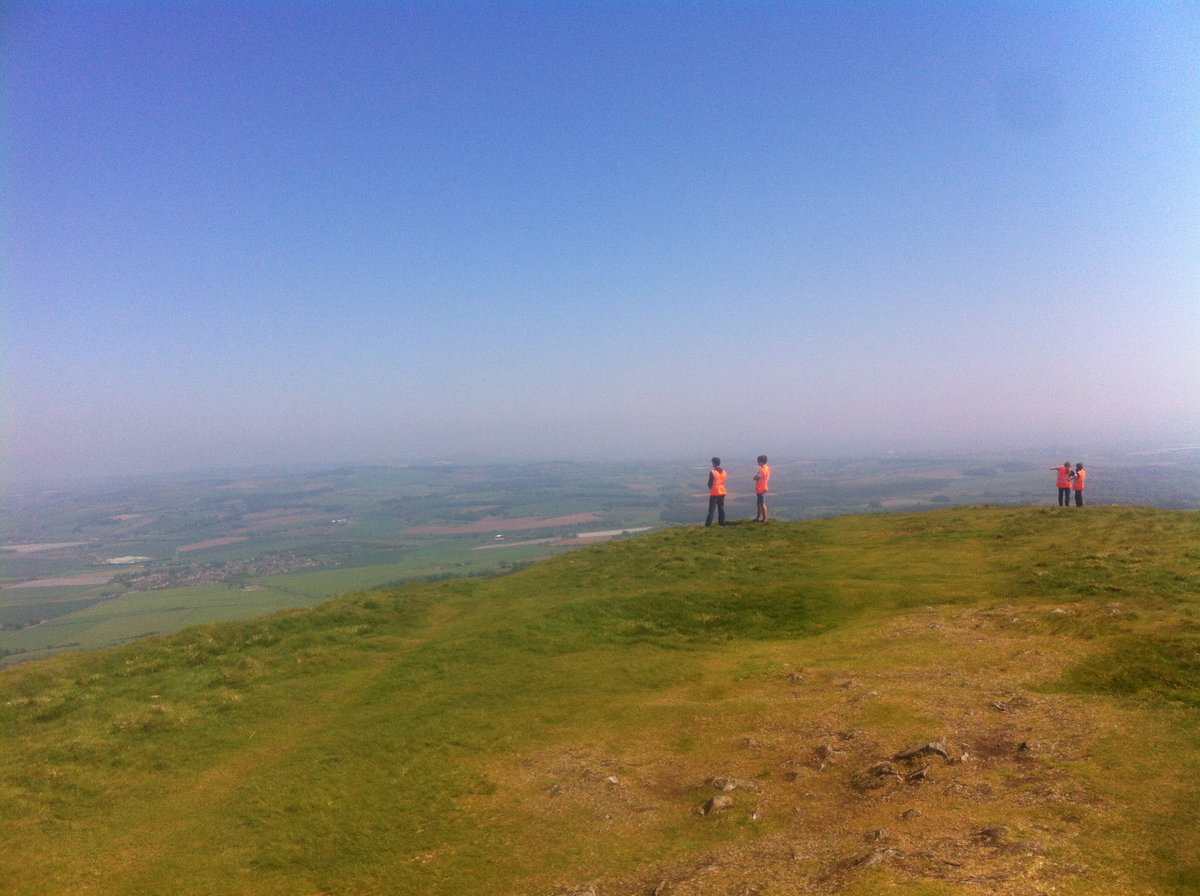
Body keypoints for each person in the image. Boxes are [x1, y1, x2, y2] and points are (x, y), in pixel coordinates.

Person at [705, 457, 727, 527]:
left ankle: (708, 525)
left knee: (711, 510)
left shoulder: (713, 472)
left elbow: (710, 483)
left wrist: (709, 487)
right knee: (721, 508)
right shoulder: (724, 472)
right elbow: (723, 481)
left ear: (714, 463)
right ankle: (721, 523)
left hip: (714, 492)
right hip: (722, 492)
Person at [753, 455, 771, 522]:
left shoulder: (762, 470)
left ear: (760, 462)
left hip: (761, 488)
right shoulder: (767, 468)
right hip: (763, 487)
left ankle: (764, 518)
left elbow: (755, 477)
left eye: (758, 461)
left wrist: (755, 477)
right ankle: (758, 518)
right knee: (759, 503)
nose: (757, 462)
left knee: (762, 503)